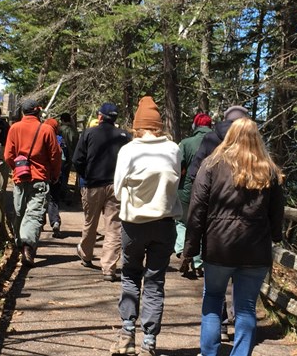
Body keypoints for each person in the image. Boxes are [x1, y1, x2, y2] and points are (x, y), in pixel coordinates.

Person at [183, 117, 284, 356]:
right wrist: (276, 236)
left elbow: (198, 208)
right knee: (246, 308)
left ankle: (209, 353)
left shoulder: (212, 164)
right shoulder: (268, 170)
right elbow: (276, 211)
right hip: (255, 249)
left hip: (219, 247)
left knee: (213, 300)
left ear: (229, 137)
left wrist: (190, 248)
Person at [110, 96, 181, 356]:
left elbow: (118, 190)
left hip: (134, 224)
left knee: (130, 276)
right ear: (159, 126)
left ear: (137, 126)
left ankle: (126, 333)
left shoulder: (129, 150)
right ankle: (149, 342)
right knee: (155, 281)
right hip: (164, 223)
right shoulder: (173, 149)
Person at [183, 105, 251, 336]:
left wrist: (191, 244)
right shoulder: (254, 144)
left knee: (213, 291)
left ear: (224, 119)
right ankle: (237, 331)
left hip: (217, 229)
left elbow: (194, 174)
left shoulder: (211, 139)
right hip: (251, 230)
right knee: (245, 298)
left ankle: (219, 326)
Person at [72, 102, 130, 281]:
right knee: (114, 226)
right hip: (116, 186)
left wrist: (85, 176)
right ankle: (109, 268)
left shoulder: (89, 133)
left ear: (99, 116)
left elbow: (77, 159)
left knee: (90, 222)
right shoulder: (125, 136)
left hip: (93, 184)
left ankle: (86, 254)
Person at [4, 99, 62, 267]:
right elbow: (55, 156)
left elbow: (8, 155)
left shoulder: (14, 128)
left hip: (20, 178)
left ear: (23, 113)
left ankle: (19, 243)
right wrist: (55, 174)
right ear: (38, 112)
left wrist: (16, 168)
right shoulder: (46, 130)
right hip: (40, 177)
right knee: (35, 214)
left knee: (19, 211)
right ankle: (27, 245)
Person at [174, 111, 212, 274]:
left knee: (182, 222)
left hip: (187, 189)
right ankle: (198, 262)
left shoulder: (186, 143)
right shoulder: (221, 143)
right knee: (203, 225)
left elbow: (179, 167)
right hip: (210, 190)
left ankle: (183, 250)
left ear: (195, 125)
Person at [44, 117, 67, 237]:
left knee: (41, 198)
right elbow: (64, 156)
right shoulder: (60, 139)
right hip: (56, 173)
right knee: (53, 199)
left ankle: (40, 221)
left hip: (42, 173)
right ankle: (55, 221)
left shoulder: (41, 136)